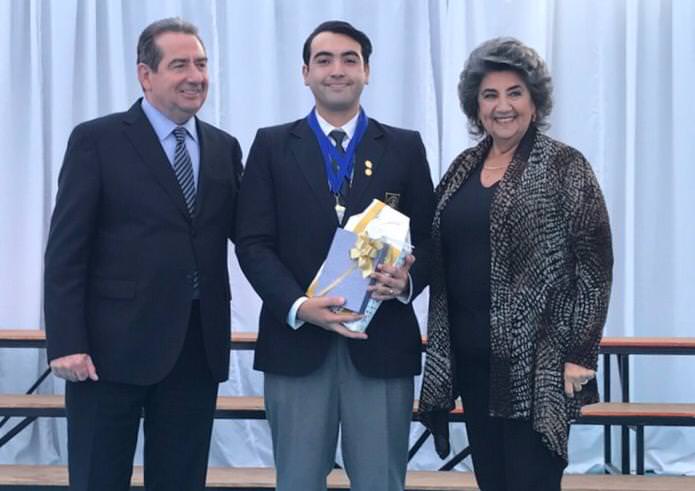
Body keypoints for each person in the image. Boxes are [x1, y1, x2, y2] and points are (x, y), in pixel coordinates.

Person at [43, 17, 243, 491]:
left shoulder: (224, 148)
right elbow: (66, 250)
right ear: (145, 75)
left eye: (201, 64)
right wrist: (66, 341)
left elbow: (251, 236)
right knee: (97, 479)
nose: (195, 76)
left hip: (195, 348)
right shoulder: (97, 140)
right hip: (106, 352)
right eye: (180, 65)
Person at [235, 20, 435, 491]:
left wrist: (406, 282)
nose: (337, 70)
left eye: (350, 59)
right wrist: (299, 305)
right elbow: (252, 242)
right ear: (305, 73)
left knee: (381, 482)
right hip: (297, 345)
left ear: (367, 72)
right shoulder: (271, 145)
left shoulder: (404, 146)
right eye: (324, 60)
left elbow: (431, 239)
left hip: (381, 345)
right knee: (298, 481)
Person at [418, 37, 613, 491]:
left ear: (534, 101)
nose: (502, 106)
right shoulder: (463, 167)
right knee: (493, 481)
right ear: (476, 106)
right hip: (472, 361)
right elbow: (434, 247)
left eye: (514, 93)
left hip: (538, 366)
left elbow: (596, 267)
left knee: (531, 481)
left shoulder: (565, 165)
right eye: (490, 95)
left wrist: (581, 354)